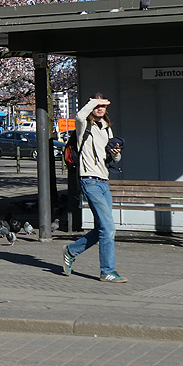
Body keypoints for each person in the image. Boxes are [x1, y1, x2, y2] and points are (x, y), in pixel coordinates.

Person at [63, 94, 126, 283]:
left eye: (103, 106)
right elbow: (80, 116)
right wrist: (95, 102)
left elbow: (114, 158)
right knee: (108, 228)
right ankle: (107, 271)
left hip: (104, 181)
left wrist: (115, 154)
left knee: (102, 228)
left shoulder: (106, 128)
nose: (100, 108)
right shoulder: (84, 125)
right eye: (97, 105)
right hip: (89, 181)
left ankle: (71, 250)